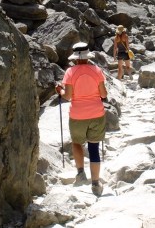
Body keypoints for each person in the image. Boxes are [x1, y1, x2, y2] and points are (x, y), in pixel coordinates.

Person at [55, 41, 108, 197]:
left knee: (77, 143)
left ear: (75, 57)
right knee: (94, 148)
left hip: (77, 114)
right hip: (97, 113)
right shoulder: (97, 70)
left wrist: (60, 90)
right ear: (87, 55)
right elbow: (104, 95)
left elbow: (68, 96)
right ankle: (96, 184)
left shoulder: (70, 72)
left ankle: (80, 174)